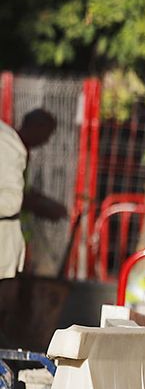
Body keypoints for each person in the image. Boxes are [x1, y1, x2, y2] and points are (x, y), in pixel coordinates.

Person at [0, 109, 67, 281]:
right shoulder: (11, 147)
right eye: (47, 133)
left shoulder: (19, 149)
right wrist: (43, 207)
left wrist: (44, 201)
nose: (47, 140)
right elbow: (13, 198)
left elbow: (23, 190)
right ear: (37, 127)